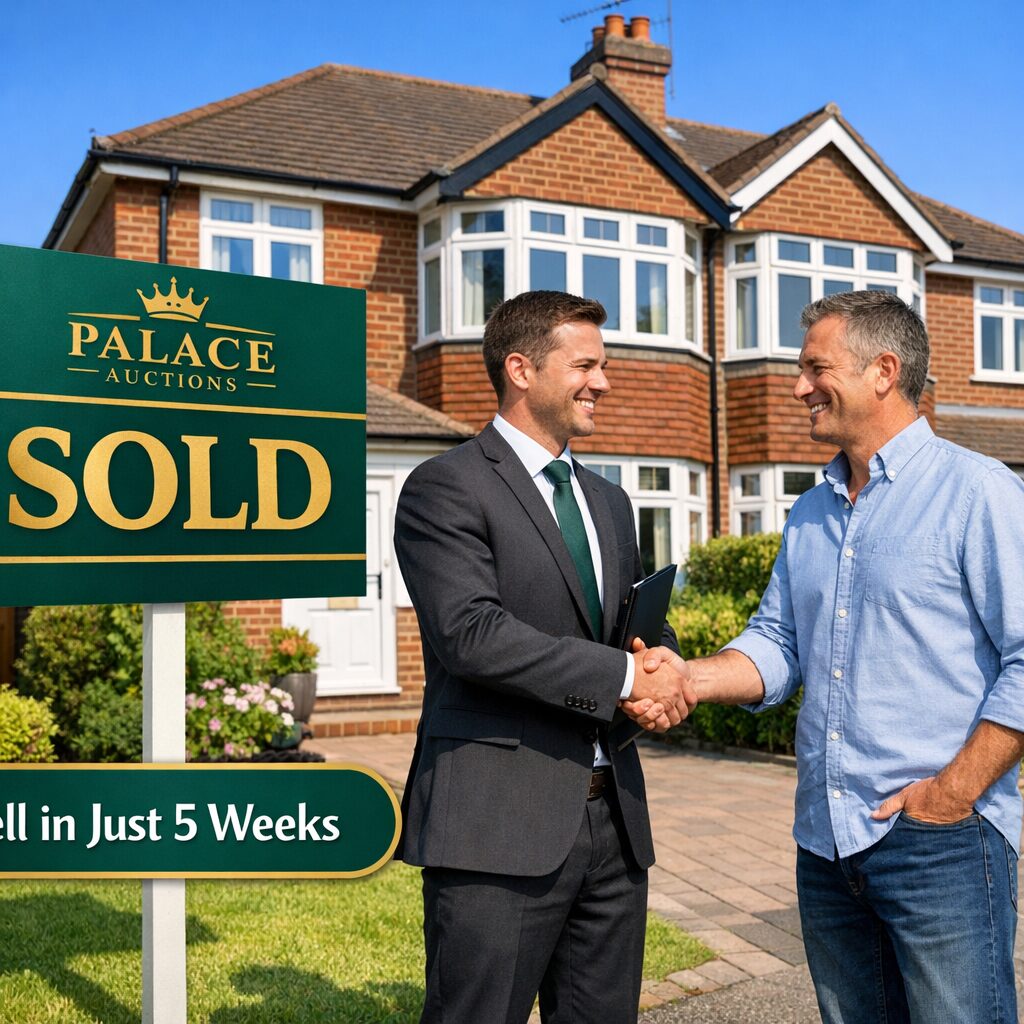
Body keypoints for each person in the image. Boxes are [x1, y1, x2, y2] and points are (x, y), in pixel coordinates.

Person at [629, 289, 1024, 1023]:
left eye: (815, 367)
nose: (799, 386)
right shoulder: (811, 512)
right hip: (827, 844)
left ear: (883, 369)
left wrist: (953, 794)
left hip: (942, 843)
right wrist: (688, 677)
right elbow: (778, 643)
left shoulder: (980, 494)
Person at [393, 290, 693, 1024]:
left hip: (613, 828)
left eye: (604, 364)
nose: (604, 381)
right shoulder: (446, 487)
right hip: (496, 828)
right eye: (586, 364)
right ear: (521, 368)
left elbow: (634, 625)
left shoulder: (611, 500)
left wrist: (666, 671)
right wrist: (627, 677)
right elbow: (471, 633)